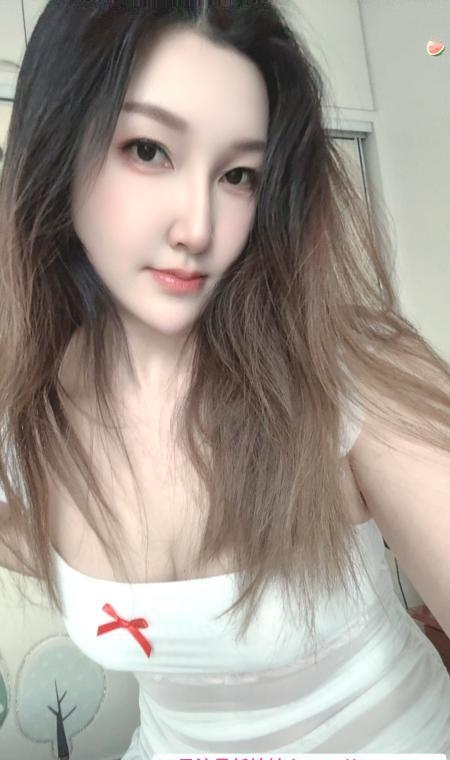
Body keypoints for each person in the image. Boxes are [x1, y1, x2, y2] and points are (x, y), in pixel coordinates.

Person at [0, 1, 449, 756]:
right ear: (57, 148)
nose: (199, 227)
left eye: (238, 174)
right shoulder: (30, 408)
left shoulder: (348, 370)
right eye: (149, 150)